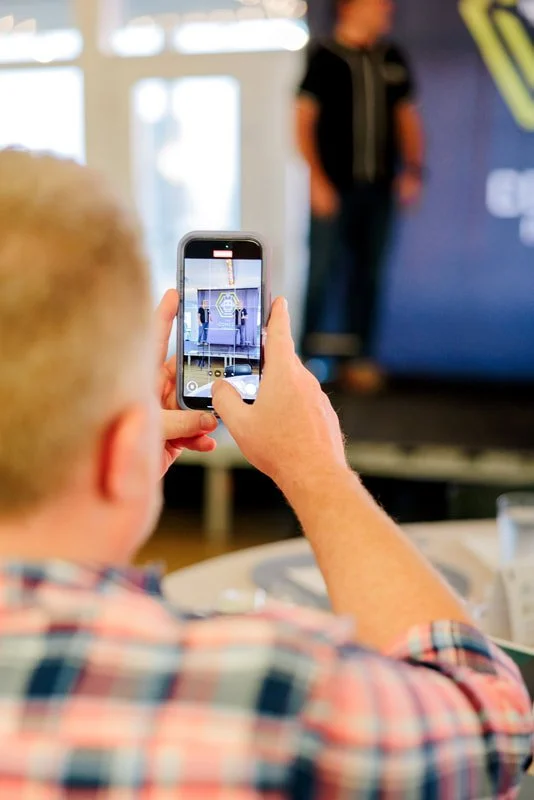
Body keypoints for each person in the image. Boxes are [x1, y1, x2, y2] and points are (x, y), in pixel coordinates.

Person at [0, 148, 531, 797]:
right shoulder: (270, 692)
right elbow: (492, 721)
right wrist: (318, 471)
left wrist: (101, 483)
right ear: (123, 453)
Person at [296, 0, 425, 392]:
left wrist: (414, 169)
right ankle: (303, 360)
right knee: (321, 274)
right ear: (351, 7)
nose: (387, 10)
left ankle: (360, 359)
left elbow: (407, 117)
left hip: (379, 189)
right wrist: (316, 180)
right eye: (378, 4)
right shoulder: (324, 58)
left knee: (368, 275)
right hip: (335, 190)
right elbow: (302, 121)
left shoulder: (391, 56)